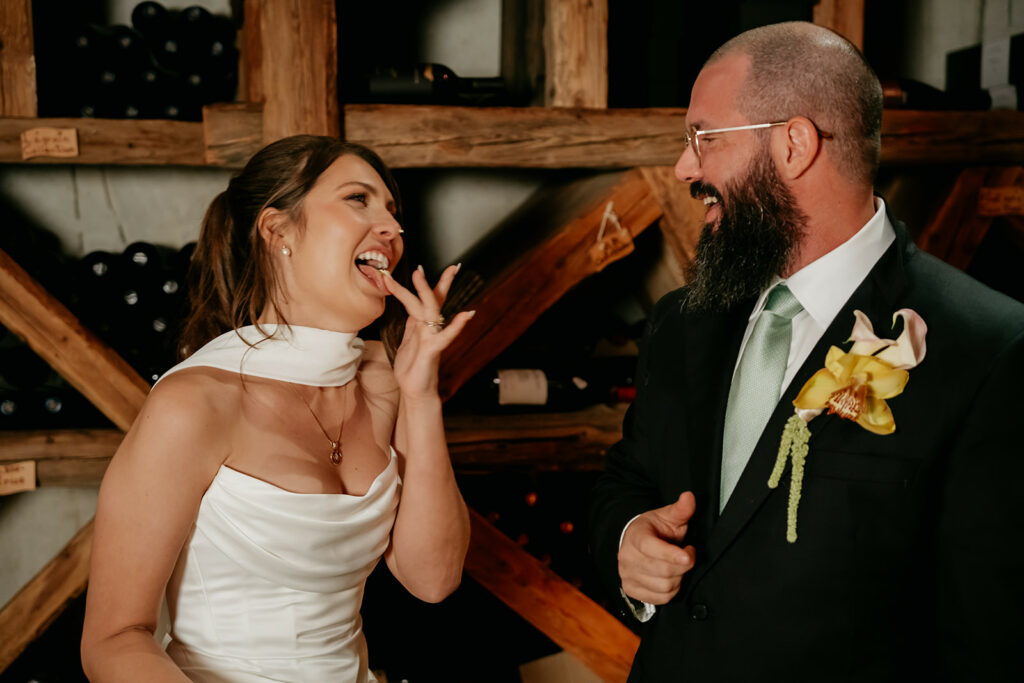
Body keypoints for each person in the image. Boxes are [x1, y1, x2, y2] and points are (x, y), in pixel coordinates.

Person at [589, 21, 1024, 682]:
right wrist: (628, 539)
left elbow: (989, 641)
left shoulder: (992, 351)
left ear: (794, 144)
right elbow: (626, 481)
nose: (685, 167)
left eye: (703, 138)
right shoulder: (682, 322)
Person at [81, 135, 474, 682]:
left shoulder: (385, 381)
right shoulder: (194, 403)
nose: (392, 228)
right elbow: (113, 640)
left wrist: (421, 396)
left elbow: (433, 578)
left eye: (393, 211)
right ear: (277, 230)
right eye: (358, 199)